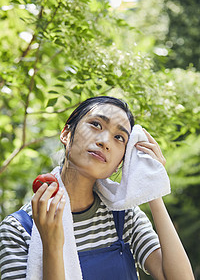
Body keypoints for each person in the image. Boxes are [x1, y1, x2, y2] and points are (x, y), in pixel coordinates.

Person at [0, 96, 195, 280]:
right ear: (66, 134)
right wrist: (51, 246)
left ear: (120, 163)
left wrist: (151, 184)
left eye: (119, 137)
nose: (105, 141)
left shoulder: (124, 216)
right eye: (96, 124)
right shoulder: (18, 229)